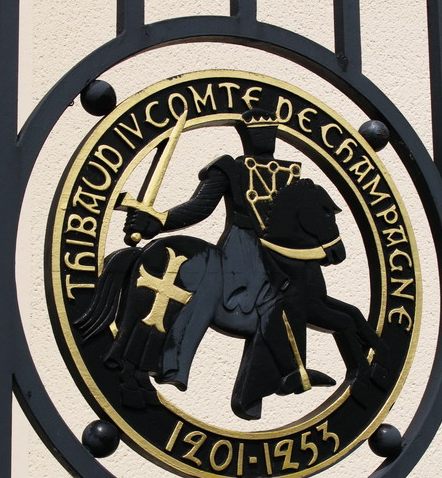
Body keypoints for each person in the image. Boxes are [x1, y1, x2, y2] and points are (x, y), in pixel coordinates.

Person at [121, 109, 336, 419]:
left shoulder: (291, 174)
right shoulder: (229, 168)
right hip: (242, 249)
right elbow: (200, 207)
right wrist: (161, 220)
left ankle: (282, 376)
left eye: (269, 130)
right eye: (258, 131)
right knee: (270, 301)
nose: (265, 137)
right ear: (246, 135)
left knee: (298, 297)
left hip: (280, 255)